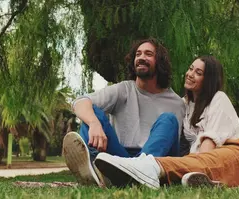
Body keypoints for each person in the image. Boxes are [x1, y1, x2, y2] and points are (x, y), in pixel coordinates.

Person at [92, 56, 239, 189]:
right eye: (191, 68)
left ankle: (148, 166)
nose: (190, 74)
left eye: (198, 72)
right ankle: (204, 183)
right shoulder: (184, 104)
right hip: (198, 164)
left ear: (209, 79)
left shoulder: (218, 98)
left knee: (195, 164)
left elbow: (209, 144)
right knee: (169, 124)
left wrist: (194, 164)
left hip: (232, 157)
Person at [62, 38, 186, 187]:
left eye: (148, 54)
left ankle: (137, 173)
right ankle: (98, 168)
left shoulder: (177, 103)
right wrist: (94, 123)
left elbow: (177, 147)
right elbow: (80, 102)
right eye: (138, 54)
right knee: (93, 111)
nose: (141, 57)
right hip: (120, 158)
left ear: (160, 61)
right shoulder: (124, 89)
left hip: (154, 161)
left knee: (169, 119)